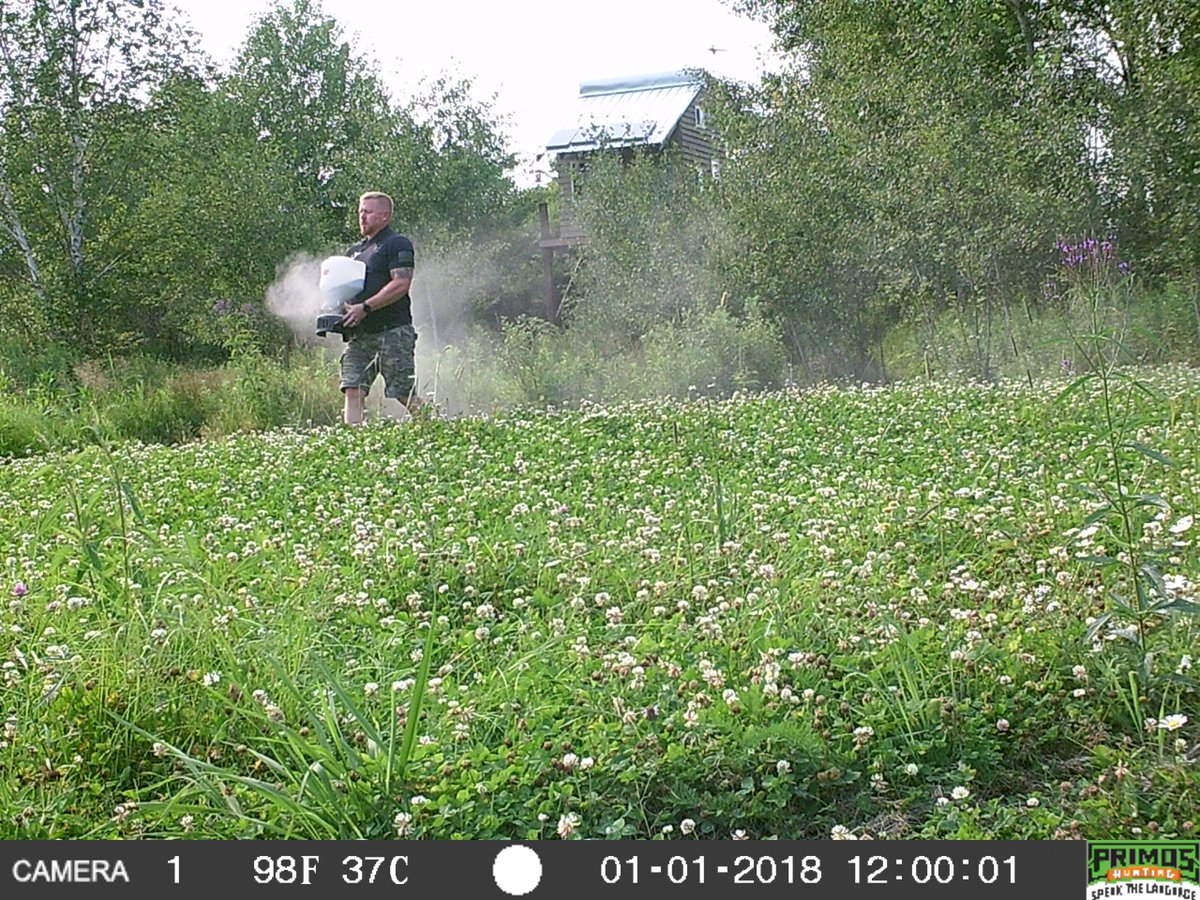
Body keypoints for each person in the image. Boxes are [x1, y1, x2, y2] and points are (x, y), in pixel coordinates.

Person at [338, 191, 420, 425]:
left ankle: (435, 429)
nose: (362, 217)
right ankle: (353, 444)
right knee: (352, 387)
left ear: (385, 216)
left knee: (403, 392)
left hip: (392, 331)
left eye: (368, 212)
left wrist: (365, 306)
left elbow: (401, 283)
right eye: (360, 211)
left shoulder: (396, 244)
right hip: (360, 334)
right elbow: (342, 287)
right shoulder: (354, 252)